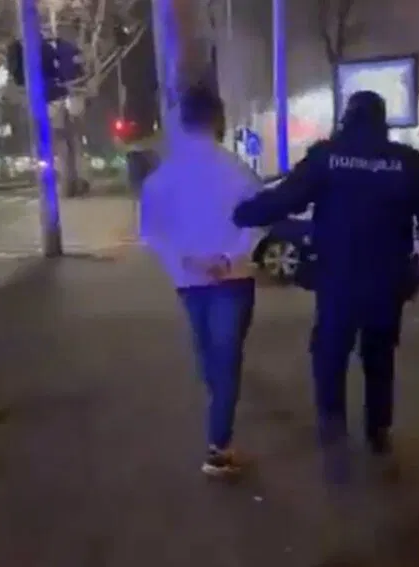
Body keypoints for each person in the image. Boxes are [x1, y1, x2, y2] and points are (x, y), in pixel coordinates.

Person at [232, 90, 419, 463]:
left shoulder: (327, 156)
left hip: (338, 277)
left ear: (347, 117)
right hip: (388, 280)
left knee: (330, 351)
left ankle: (332, 423)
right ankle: (378, 430)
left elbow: (287, 197)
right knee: (379, 356)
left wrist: (242, 214)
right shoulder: (406, 161)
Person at [140, 86, 262, 477]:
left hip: (189, 281)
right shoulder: (238, 170)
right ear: (217, 120)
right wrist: (228, 257)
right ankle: (218, 446)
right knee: (226, 358)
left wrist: (187, 259)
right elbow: (258, 220)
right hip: (233, 278)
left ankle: (218, 426)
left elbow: (152, 232)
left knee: (210, 353)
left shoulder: (161, 178)